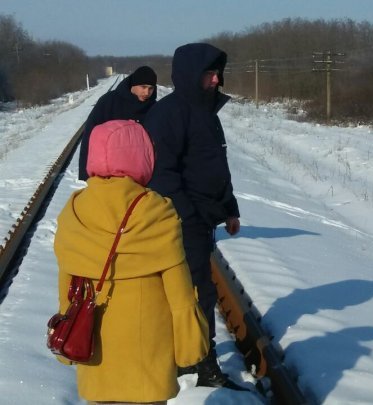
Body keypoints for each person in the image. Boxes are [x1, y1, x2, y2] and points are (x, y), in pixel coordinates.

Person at [53, 120, 209, 404]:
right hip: (148, 359)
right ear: (142, 156)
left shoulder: (75, 211)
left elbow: (67, 288)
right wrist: (190, 349)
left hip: (93, 352)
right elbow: (180, 293)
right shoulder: (156, 212)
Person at [143, 43, 242, 390]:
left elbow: (216, 166)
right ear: (191, 75)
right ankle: (200, 365)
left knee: (200, 292)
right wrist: (191, 215)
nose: (216, 80)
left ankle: (195, 359)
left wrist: (229, 208)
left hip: (201, 219)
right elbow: (162, 176)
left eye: (218, 73)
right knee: (196, 294)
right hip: (181, 223)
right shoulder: (168, 115)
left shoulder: (205, 112)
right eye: (209, 74)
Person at [78, 65, 157, 181]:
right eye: (143, 87)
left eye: (151, 88)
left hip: (143, 175)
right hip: (111, 175)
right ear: (133, 85)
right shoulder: (109, 102)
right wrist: (85, 174)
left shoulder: (155, 108)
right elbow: (90, 136)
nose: (147, 92)